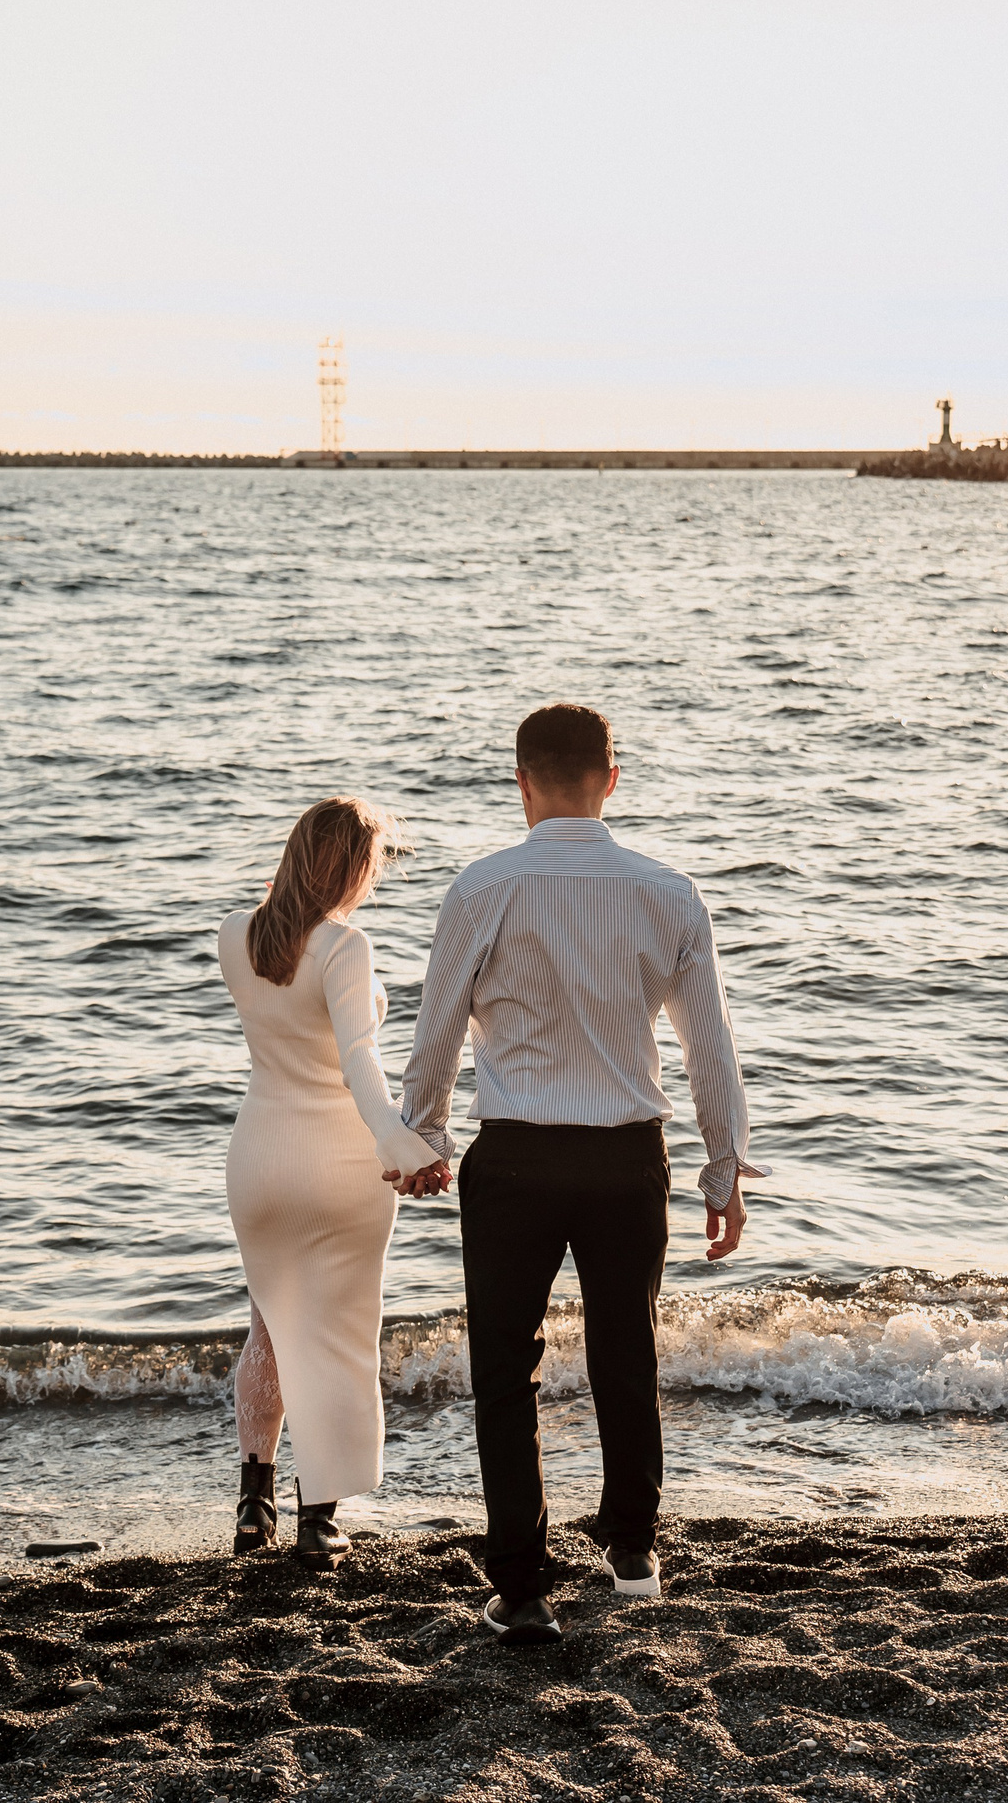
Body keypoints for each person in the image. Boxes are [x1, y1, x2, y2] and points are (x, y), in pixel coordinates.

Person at [394, 703, 763, 1644]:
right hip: (624, 1153)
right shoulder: (667, 891)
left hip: (515, 1154)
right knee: (624, 1352)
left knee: (503, 1369)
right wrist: (725, 1169)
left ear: (521, 781)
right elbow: (708, 1044)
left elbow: (436, 1030)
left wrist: (420, 1139)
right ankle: (632, 1550)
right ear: (611, 777)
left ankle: (521, 1585)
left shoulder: (483, 887)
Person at [218, 797, 443, 1563]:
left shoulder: (236, 935)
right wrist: (404, 1144)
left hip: (258, 1159)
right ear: (351, 865)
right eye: (373, 863)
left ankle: (254, 1504)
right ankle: (318, 1516)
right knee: (339, 1333)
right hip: (336, 1161)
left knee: (271, 1328)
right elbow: (358, 1064)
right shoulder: (344, 945)